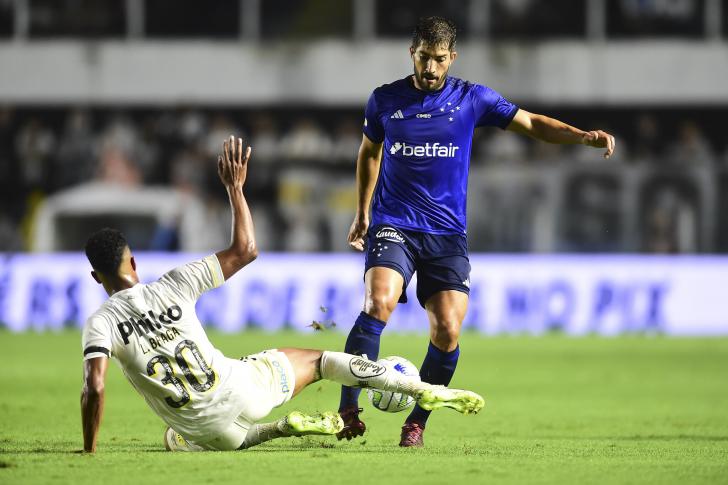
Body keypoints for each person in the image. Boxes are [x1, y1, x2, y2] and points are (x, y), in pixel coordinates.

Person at [80, 136, 484, 453]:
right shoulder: (172, 284)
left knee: (184, 437)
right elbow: (245, 251)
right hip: (240, 388)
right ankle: (420, 388)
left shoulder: (100, 324)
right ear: (133, 263)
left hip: (214, 434)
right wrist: (235, 189)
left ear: (97, 278)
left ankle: (278, 430)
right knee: (321, 361)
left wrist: (89, 450)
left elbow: (94, 388)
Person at [338, 16, 616, 447]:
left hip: (447, 235)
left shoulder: (471, 99)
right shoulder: (384, 100)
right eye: (424, 58)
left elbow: (531, 123)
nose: (431, 68)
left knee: (447, 330)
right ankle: (347, 409)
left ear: (452, 57)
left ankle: (416, 423)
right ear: (412, 52)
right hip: (395, 223)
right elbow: (369, 154)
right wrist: (362, 213)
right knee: (379, 302)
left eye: (439, 59)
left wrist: (581, 137)